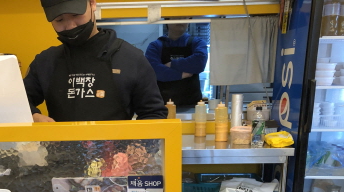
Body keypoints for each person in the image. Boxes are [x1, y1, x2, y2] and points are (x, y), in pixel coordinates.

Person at [24, 0, 168, 122]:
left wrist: (136, 145)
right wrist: (33, 116)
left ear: (92, 4)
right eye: (59, 20)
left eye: (76, 15)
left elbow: (154, 114)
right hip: (60, 147)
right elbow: (18, 103)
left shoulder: (131, 59)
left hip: (117, 147)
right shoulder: (45, 62)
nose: (71, 26)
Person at [145, 19, 208, 106]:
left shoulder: (197, 43)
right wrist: (181, 74)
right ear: (167, 21)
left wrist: (171, 64)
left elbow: (199, 63)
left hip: (192, 106)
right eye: (176, 17)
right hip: (162, 106)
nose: (180, 20)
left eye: (183, 17)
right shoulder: (155, 46)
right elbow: (153, 71)